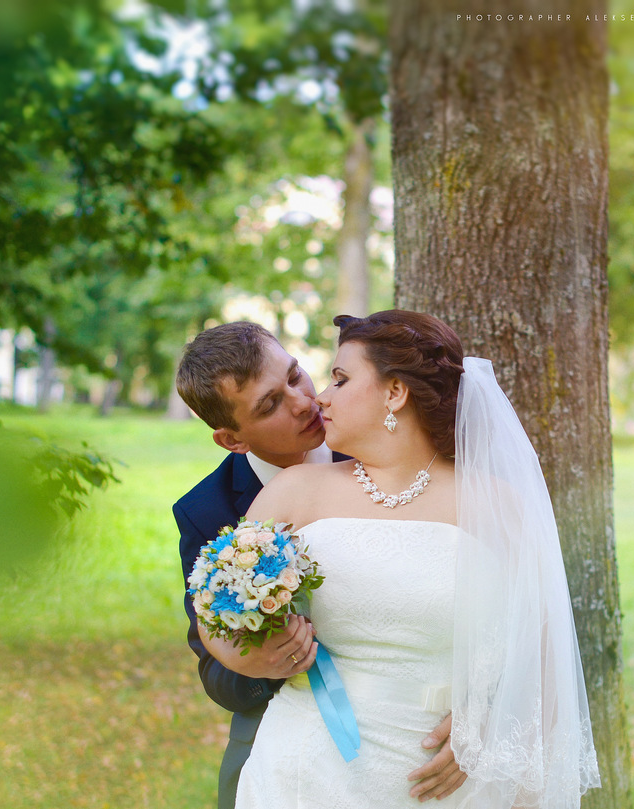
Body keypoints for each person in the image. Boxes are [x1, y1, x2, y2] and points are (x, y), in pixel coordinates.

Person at [200, 310, 600, 808]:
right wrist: (257, 655)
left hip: (448, 776)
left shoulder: (496, 505)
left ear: (395, 393)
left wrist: (490, 722)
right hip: (305, 770)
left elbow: (544, 658)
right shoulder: (294, 492)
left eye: (340, 379)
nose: (319, 397)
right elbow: (216, 611)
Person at [173, 321, 463, 808]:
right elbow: (212, 656)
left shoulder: (382, 438)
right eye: (270, 405)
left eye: (295, 376)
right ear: (232, 441)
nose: (304, 402)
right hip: (288, 719)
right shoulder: (207, 510)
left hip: (424, 719)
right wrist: (263, 662)